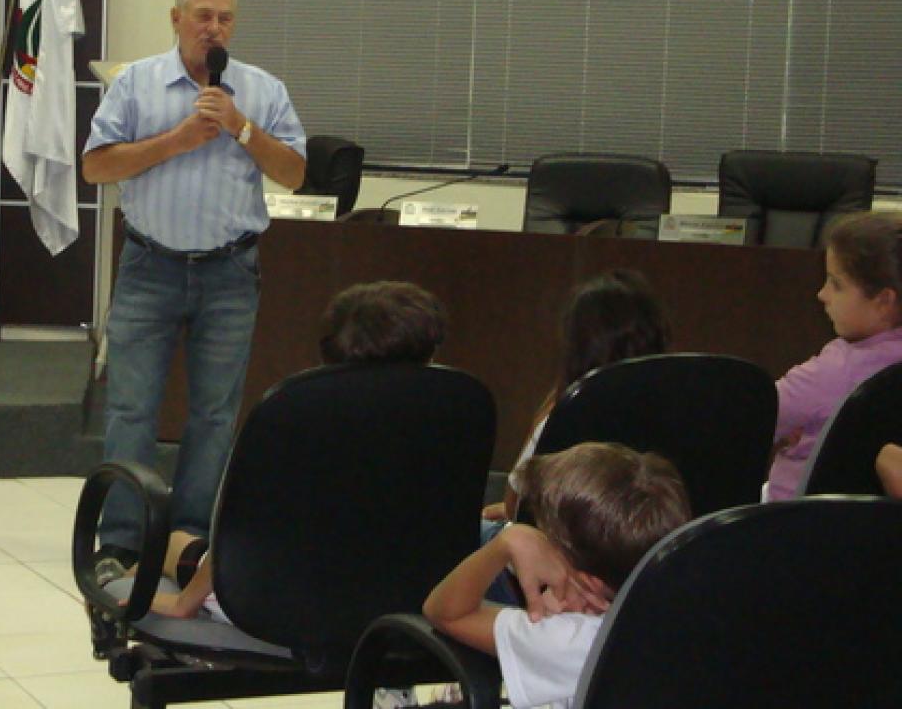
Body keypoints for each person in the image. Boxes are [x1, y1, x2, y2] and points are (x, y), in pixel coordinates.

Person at [83, 0, 306, 571]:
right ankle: (123, 539)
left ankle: (188, 539)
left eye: (225, 18)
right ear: (176, 19)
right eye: (203, 15)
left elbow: (294, 173)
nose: (214, 28)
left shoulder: (262, 90)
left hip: (229, 274)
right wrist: (175, 141)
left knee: (213, 415)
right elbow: (96, 167)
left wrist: (241, 127)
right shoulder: (136, 84)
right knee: (131, 410)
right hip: (149, 267)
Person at [131, 280, 448, 620]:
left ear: (327, 355)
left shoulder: (295, 421)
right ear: (430, 354)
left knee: (175, 545)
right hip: (409, 604)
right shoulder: (454, 415)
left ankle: (116, 589)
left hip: (282, 605)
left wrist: (184, 603)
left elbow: (243, 529)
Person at [423, 442, 691, 709]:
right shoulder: (692, 609)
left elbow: (445, 612)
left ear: (589, 583)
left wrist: (507, 542)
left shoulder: (569, 639)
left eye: (546, 540)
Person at [482, 269, 671, 525]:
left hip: (561, 542)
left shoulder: (568, 411)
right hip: (652, 539)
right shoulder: (677, 406)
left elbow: (515, 504)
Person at [767, 212, 902, 501]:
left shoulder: (834, 371)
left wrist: (776, 432)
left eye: (836, 284)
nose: (822, 294)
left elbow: (754, 417)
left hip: (795, 517)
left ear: (883, 301)